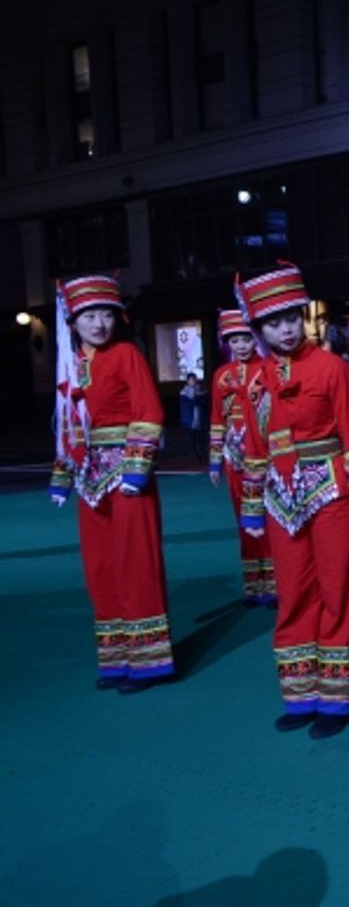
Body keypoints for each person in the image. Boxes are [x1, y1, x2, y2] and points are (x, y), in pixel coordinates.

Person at [237, 264, 349, 740]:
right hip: (280, 497)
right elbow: (255, 448)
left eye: (293, 318)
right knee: (294, 592)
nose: (286, 328)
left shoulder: (331, 367)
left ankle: (340, 698)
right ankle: (301, 693)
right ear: (258, 329)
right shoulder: (254, 381)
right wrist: (252, 507)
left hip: (333, 489)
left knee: (338, 588)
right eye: (274, 323)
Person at [49, 274, 175, 693]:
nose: (99, 323)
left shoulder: (126, 355)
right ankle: (118, 657)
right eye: (89, 315)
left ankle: (149, 662)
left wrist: (136, 469)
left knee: (135, 562)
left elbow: (149, 411)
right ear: (73, 320)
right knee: (100, 566)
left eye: (106, 314)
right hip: (89, 478)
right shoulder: (71, 364)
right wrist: (62, 477)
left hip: (126, 476)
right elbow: (68, 425)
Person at [209, 309, 276, 606]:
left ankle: (275, 583)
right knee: (243, 519)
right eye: (234, 340)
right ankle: (254, 584)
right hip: (234, 455)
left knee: (269, 516)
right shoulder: (221, 376)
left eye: (246, 338)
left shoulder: (269, 369)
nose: (241, 345)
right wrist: (214, 459)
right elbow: (215, 417)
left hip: (265, 453)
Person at [180, 373, 210, 462]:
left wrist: (200, 396)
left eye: (194, 379)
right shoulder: (184, 392)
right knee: (191, 439)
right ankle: (194, 457)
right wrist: (197, 397)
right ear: (187, 381)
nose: (193, 381)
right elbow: (189, 405)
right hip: (190, 419)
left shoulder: (202, 390)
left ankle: (203, 456)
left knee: (202, 439)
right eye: (191, 380)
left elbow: (206, 403)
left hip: (201, 418)